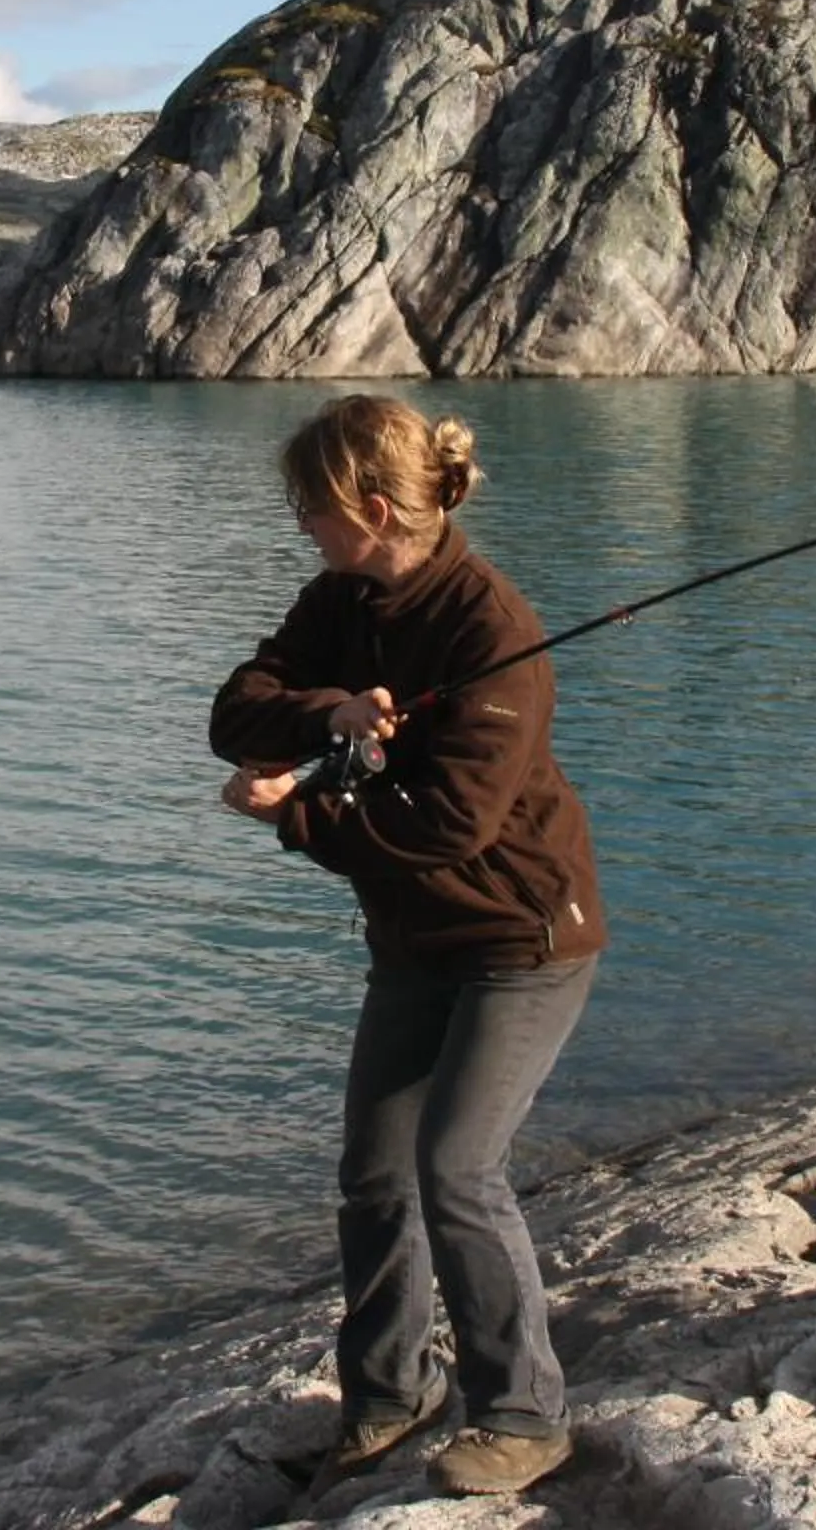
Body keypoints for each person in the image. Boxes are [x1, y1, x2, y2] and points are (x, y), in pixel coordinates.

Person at [210, 394, 606, 1499]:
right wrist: (329, 711)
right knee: (375, 1174)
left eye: (310, 507)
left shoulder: (493, 630)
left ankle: (526, 1415)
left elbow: (448, 826)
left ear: (372, 509)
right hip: (415, 936)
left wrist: (297, 814)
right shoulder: (343, 596)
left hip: (523, 936)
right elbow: (235, 710)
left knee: (457, 1167)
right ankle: (390, 1396)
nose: (301, 525)